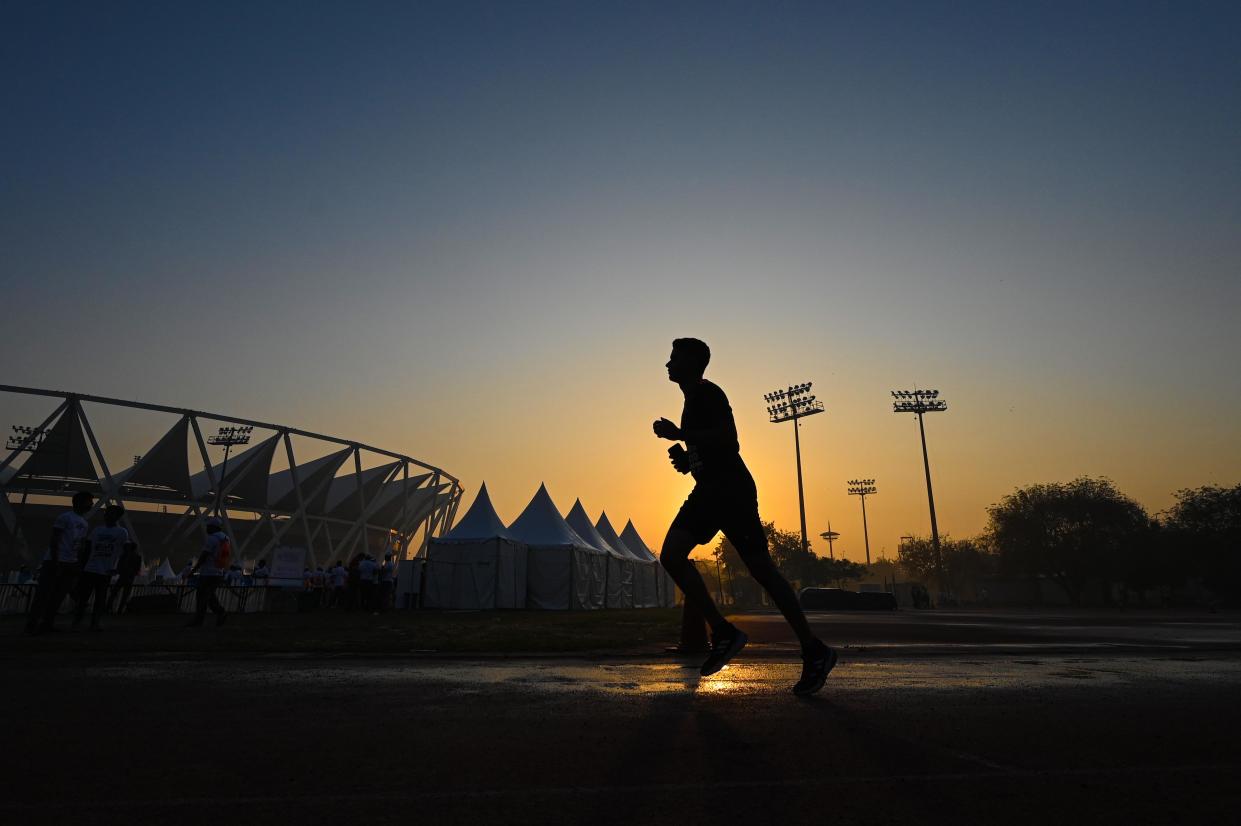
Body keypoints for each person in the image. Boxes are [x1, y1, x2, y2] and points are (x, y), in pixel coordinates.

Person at [653, 338, 837, 696]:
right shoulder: (693, 399)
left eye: (674, 358)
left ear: (693, 363)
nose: (668, 364)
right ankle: (732, 633)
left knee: (759, 569)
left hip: (730, 491)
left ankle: (808, 648)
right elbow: (710, 450)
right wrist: (688, 460)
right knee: (676, 556)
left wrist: (681, 434)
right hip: (712, 490)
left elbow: (728, 440)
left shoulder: (708, 393)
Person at [27, 490, 93, 634]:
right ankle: (32, 624)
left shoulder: (84, 523)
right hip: (55, 561)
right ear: (78, 502)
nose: (91, 504)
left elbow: (80, 544)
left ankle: (47, 623)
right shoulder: (65, 517)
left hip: (70, 562)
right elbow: (55, 539)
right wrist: (56, 560)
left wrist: (77, 562)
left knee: (59, 594)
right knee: (44, 593)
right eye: (88, 501)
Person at [74, 504, 130, 631]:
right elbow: (87, 549)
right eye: (106, 513)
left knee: (100, 599)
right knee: (83, 598)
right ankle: (77, 622)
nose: (106, 515)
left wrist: (118, 569)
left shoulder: (122, 532)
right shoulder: (97, 530)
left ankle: (94, 623)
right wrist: (81, 566)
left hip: (105, 571)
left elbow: (126, 552)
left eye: (110, 513)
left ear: (117, 517)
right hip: (90, 569)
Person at [185, 516, 230, 627]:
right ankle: (219, 613)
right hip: (218, 572)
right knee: (208, 596)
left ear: (213, 527)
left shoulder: (212, 538)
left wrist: (193, 571)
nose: (206, 528)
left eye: (208, 526)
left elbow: (204, 556)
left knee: (202, 596)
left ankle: (200, 620)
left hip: (208, 573)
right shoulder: (226, 538)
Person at [109, 540, 142, 614]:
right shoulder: (138, 557)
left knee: (114, 593)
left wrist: (118, 571)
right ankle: (120, 611)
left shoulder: (124, 555)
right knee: (125, 596)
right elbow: (137, 569)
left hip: (122, 577)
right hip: (130, 578)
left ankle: (108, 607)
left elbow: (119, 566)